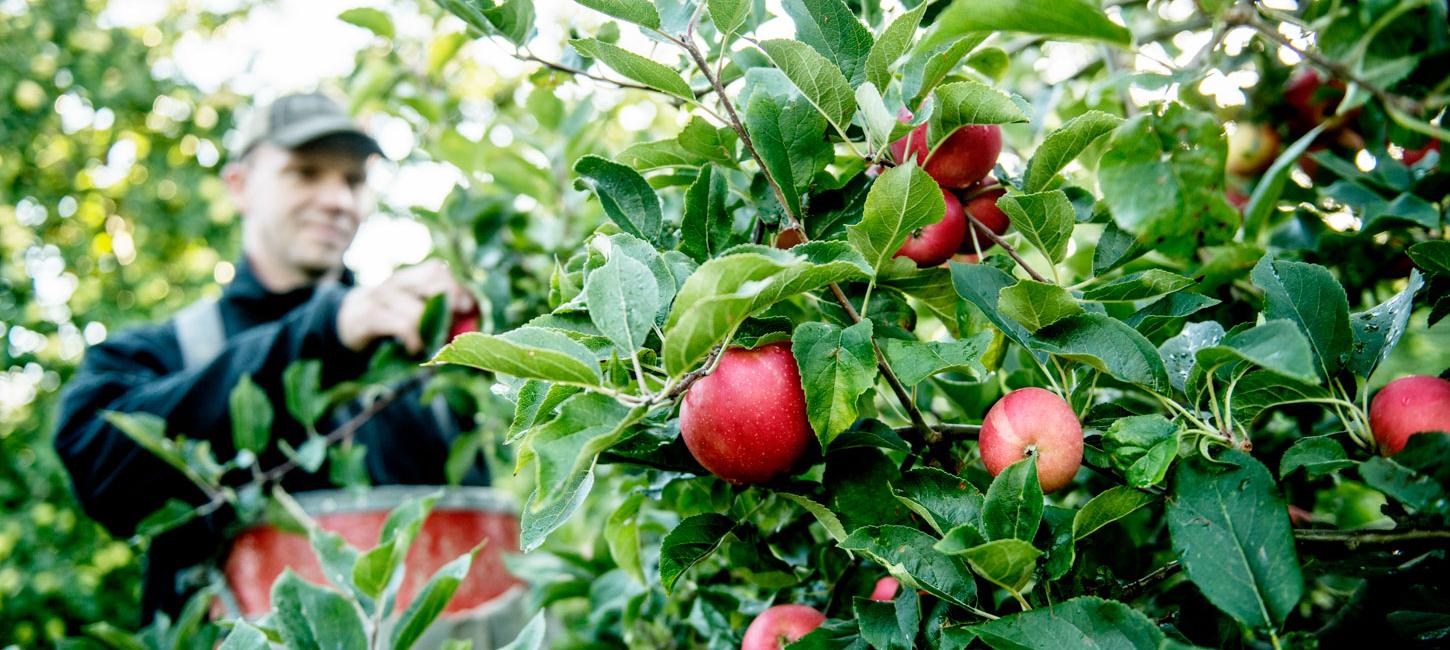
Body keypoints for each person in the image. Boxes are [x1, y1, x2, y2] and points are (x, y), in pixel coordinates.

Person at [52, 91, 486, 622]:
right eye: (305, 173)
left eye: (352, 180)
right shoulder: (166, 353)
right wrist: (327, 331)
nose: (338, 200)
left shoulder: (421, 372)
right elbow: (98, 468)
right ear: (240, 186)